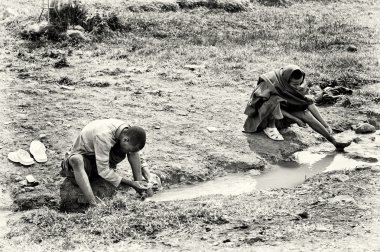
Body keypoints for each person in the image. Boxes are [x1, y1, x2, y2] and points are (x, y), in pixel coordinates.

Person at [243, 64, 351, 150]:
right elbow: (264, 105)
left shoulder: (298, 84)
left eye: (299, 83)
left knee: (306, 114)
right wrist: (295, 119)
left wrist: (326, 125)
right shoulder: (271, 82)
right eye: (294, 84)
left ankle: (334, 141)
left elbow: (308, 103)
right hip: (265, 116)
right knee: (273, 100)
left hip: (283, 110)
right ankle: (270, 128)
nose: (297, 86)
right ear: (286, 80)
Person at [60, 118, 155, 206]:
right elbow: (103, 170)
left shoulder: (126, 131)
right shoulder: (103, 135)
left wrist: (148, 177)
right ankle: (93, 203)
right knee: (76, 160)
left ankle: (143, 190)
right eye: (128, 150)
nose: (128, 153)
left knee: (133, 152)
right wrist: (131, 183)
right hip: (86, 160)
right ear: (125, 139)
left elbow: (136, 152)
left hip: (101, 157)